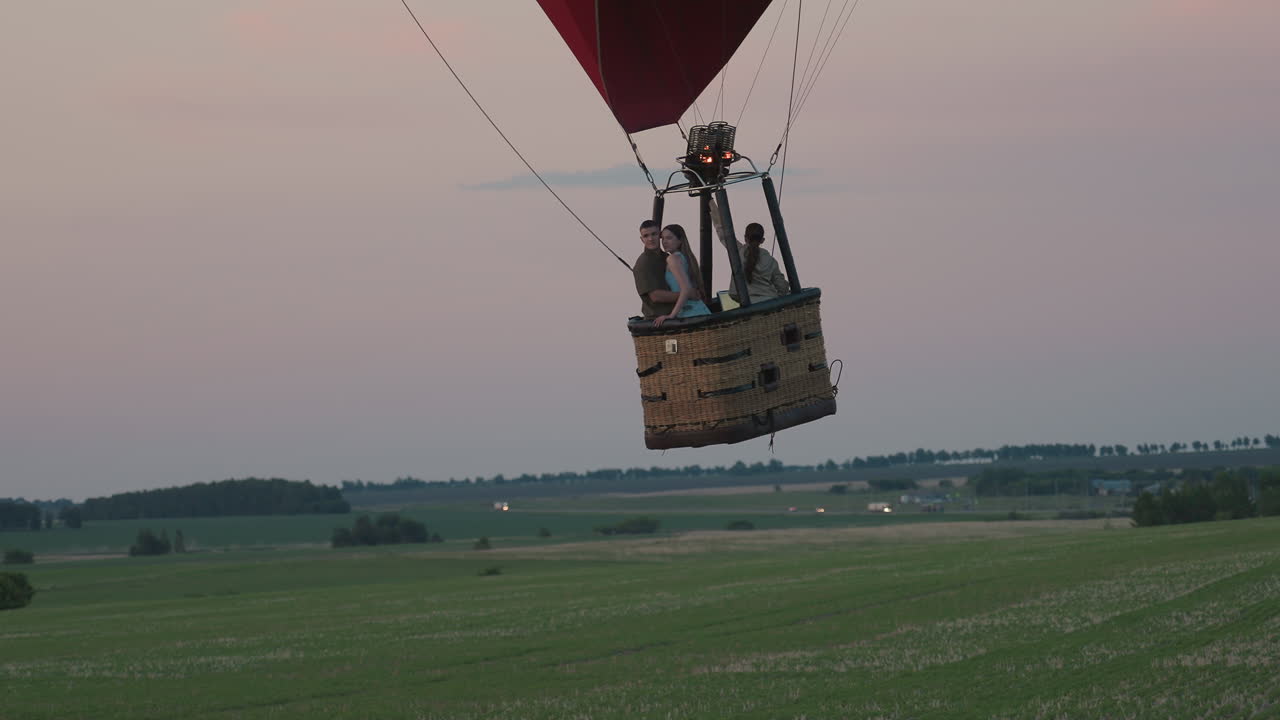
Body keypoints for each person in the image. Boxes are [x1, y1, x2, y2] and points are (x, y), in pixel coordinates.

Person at [653, 224, 711, 327]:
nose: (664, 242)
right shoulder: (685, 257)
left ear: (680, 241)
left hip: (691, 314)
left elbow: (686, 289)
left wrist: (671, 315)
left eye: (669, 238)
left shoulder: (673, 259)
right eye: (663, 238)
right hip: (697, 311)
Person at [735, 222, 791, 304]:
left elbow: (723, 234)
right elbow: (782, 287)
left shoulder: (738, 253)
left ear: (745, 238)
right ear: (762, 240)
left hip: (748, 306)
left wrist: (713, 210)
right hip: (770, 304)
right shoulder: (770, 260)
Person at [633, 219, 679, 318]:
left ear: (660, 235)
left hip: (676, 313)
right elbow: (656, 296)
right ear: (642, 239)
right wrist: (687, 295)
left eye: (654, 234)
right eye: (646, 236)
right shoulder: (643, 264)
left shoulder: (667, 257)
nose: (650, 239)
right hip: (658, 320)